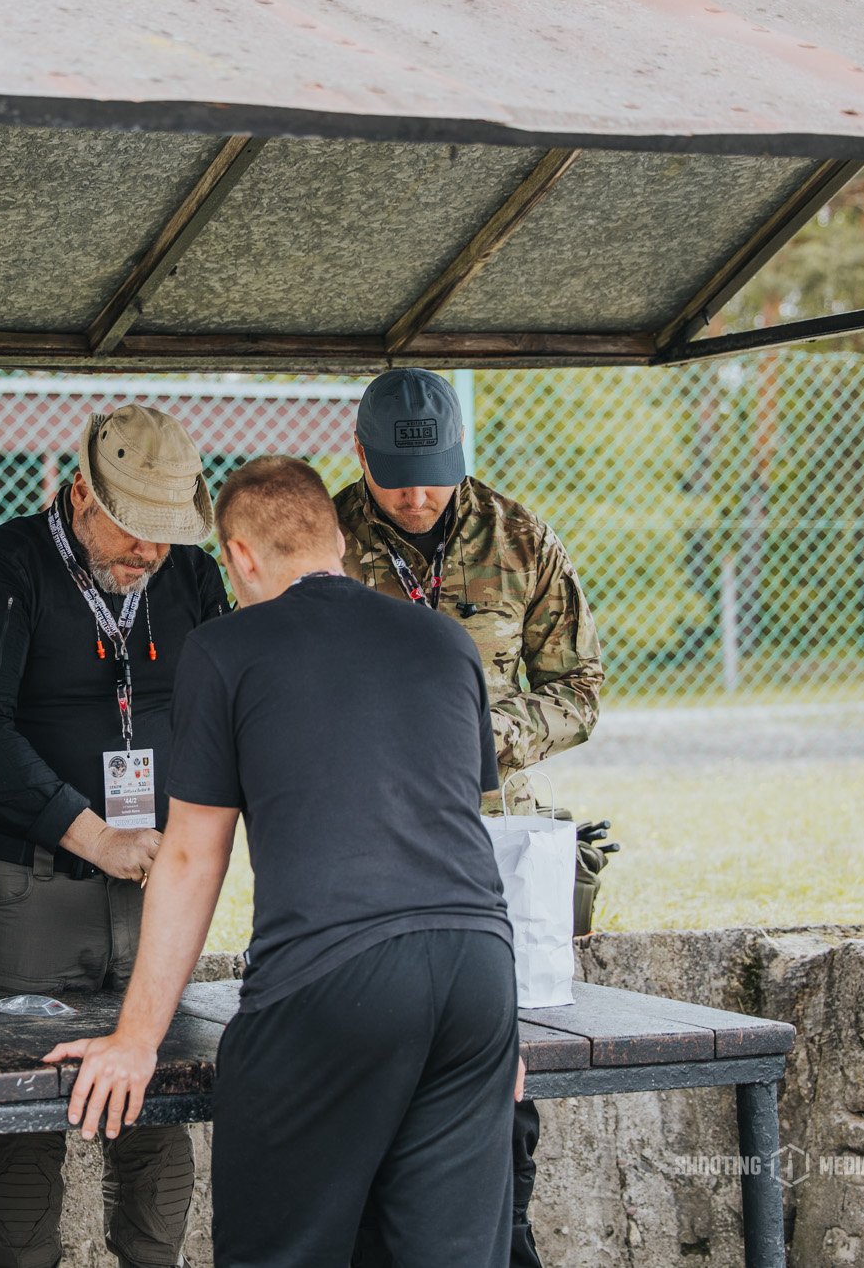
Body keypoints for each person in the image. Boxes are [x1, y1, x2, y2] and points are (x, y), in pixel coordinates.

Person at [49, 455, 521, 1268]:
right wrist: (498, 1030)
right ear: (336, 538)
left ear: (238, 557)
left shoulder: (226, 647)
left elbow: (195, 855)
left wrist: (135, 1038)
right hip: (479, 975)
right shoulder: (445, 641)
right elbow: (462, 830)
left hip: (333, 981)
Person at [0, 405, 229, 1268]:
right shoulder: (5, 566)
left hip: (153, 885)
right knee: (26, 1116)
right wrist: (90, 832)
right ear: (80, 497)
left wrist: (181, 838)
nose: (148, 555)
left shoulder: (191, 578)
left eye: (166, 536)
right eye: (134, 533)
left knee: (160, 1098)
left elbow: (219, 714)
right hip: (26, 887)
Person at [334, 368, 606, 1268]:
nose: (416, 495)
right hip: (366, 843)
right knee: (378, 1066)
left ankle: (506, 1235)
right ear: (363, 457)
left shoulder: (520, 536)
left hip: (494, 842)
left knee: (501, 1074)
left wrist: (484, 740)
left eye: (435, 474)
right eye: (397, 475)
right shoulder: (326, 539)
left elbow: (581, 689)